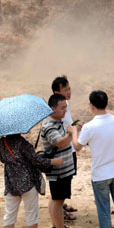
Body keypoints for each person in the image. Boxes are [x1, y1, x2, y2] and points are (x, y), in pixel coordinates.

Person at [70, 90, 114, 228]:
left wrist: (74, 132)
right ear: (107, 103)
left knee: (104, 212)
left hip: (100, 175)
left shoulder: (89, 127)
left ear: (91, 106)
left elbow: (78, 147)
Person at [0, 134, 64, 228]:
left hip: (10, 182)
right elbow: (37, 161)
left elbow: (2, 159)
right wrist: (54, 161)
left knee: (9, 215)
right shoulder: (22, 142)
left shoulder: (2, 142)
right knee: (32, 215)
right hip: (28, 182)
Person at [41, 94, 82, 228]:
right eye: (62, 107)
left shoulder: (57, 121)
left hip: (62, 170)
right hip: (58, 171)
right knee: (58, 201)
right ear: (52, 108)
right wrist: (73, 133)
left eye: (66, 107)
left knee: (56, 199)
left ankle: (55, 227)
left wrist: (75, 130)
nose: (65, 110)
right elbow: (60, 143)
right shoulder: (49, 126)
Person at [51, 75, 80, 220]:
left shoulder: (65, 105)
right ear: (57, 93)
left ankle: (61, 206)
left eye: (69, 89)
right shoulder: (57, 109)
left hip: (69, 150)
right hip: (63, 151)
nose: (69, 92)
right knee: (60, 186)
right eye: (65, 90)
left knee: (65, 183)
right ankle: (59, 215)